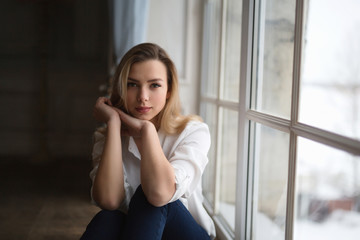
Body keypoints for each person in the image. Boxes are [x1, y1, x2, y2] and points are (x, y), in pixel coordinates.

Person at [80, 43, 216, 240]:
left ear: (169, 90)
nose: (143, 97)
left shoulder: (193, 132)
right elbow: (109, 200)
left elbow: (160, 193)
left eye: (154, 85)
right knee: (107, 219)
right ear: (121, 87)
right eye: (132, 84)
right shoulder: (110, 136)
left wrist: (147, 131)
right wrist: (113, 121)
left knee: (152, 196)